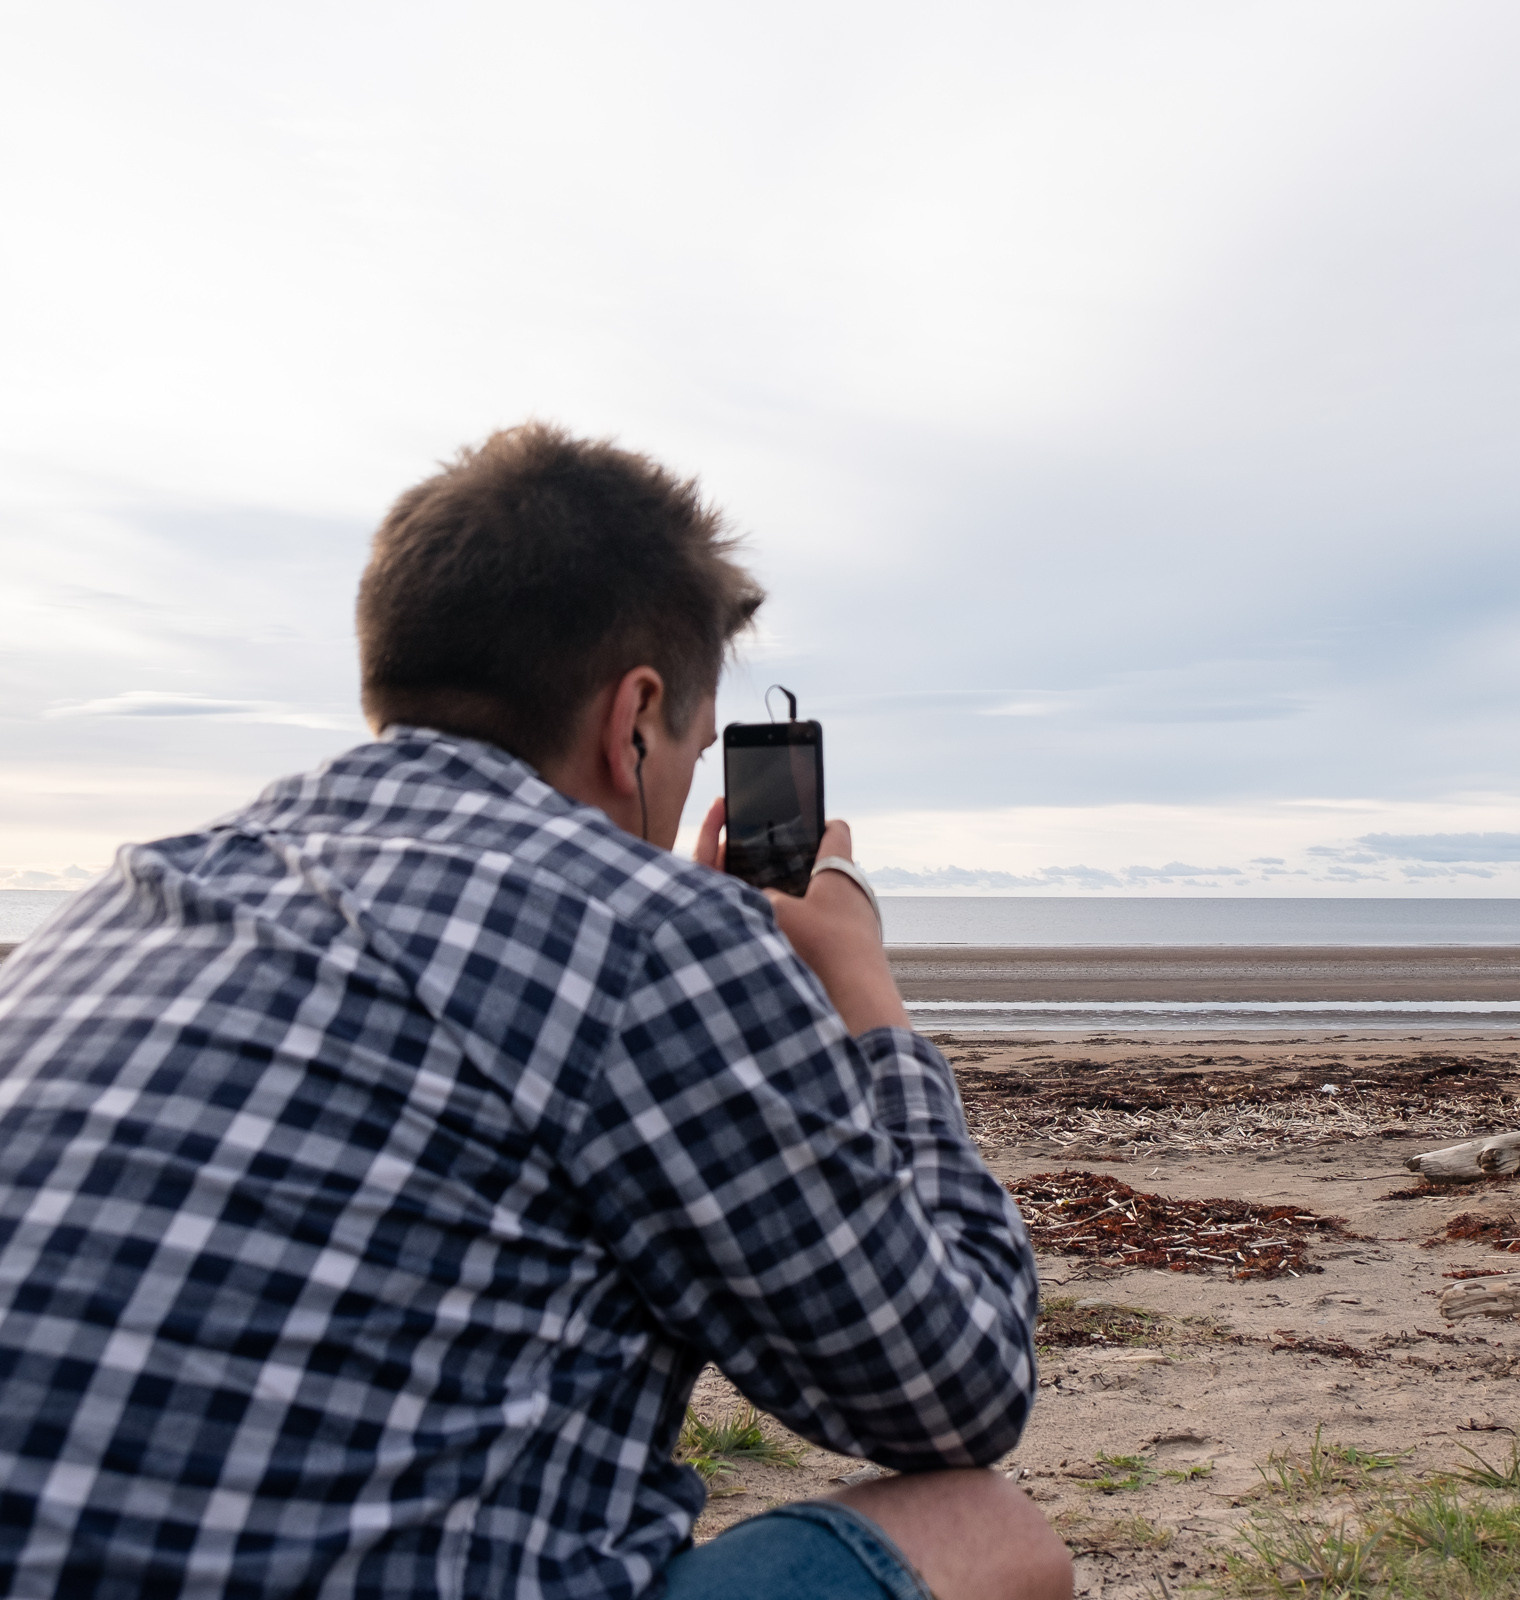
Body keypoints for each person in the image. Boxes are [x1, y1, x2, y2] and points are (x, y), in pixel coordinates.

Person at [0, 426, 1070, 1600]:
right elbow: (961, 1384)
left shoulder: (134, 893)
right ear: (636, 717)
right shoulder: (645, 934)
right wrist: (863, 988)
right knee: (986, 1534)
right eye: (694, 745)